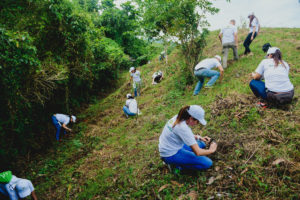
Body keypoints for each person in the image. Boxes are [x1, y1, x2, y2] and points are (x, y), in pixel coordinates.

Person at [159, 105, 217, 172]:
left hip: (171, 146)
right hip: (170, 154)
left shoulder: (179, 117)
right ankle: (177, 166)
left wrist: (199, 137)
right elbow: (198, 152)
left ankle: (182, 159)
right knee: (207, 163)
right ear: (191, 118)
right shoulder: (182, 128)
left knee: (201, 143)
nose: (197, 124)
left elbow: (183, 135)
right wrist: (212, 150)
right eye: (197, 121)